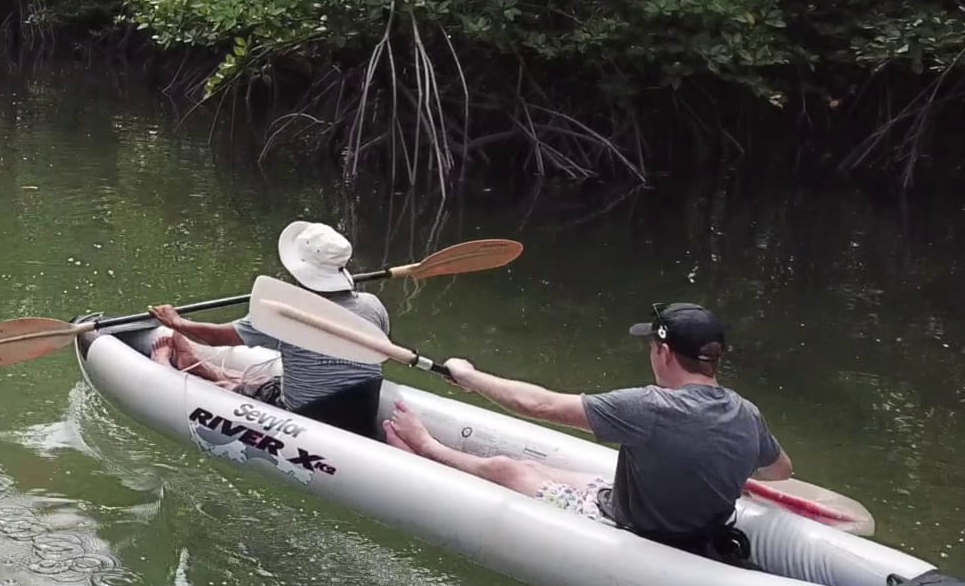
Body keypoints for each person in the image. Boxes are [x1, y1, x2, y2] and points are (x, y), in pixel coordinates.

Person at [380, 302, 794, 558]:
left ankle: (426, 447)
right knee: (548, 469)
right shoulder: (747, 413)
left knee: (512, 470)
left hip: (636, 530)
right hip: (692, 527)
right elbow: (780, 471)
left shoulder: (648, 406)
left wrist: (469, 376)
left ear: (664, 352)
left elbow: (537, 404)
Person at [149, 221, 392, 440]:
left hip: (304, 413)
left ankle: (167, 368)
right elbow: (382, 354)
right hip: (359, 410)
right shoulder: (373, 305)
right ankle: (195, 363)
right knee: (262, 383)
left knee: (233, 390)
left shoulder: (284, 313)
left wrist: (178, 323)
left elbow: (217, 338)